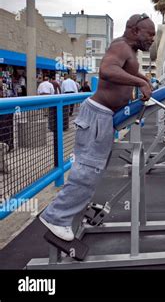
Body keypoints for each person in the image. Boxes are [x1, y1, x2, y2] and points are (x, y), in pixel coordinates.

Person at [39, 13, 155, 241]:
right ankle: (56, 217)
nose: (151, 38)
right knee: (87, 170)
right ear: (134, 31)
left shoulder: (129, 51)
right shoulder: (121, 47)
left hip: (104, 117)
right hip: (97, 116)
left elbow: (127, 72)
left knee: (93, 170)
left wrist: (143, 79)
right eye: (149, 34)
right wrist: (141, 82)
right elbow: (107, 70)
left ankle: (70, 212)